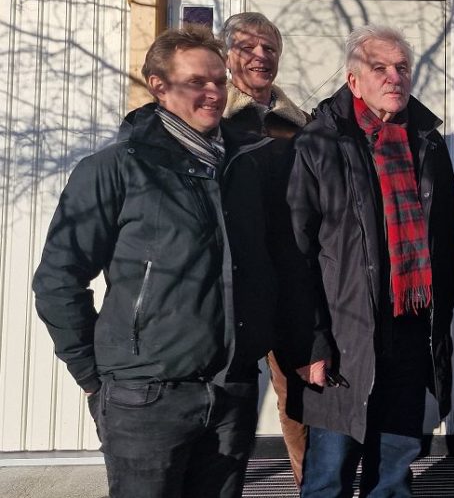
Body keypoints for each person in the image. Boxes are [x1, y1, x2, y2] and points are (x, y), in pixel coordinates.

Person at [32, 27, 287, 497]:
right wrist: (93, 377)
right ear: (159, 86)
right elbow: (57, 280)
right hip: (145, 397)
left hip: (231, 391)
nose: (213, 93)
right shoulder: (114, 169)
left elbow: (268, 265)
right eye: (196, 82)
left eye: (218, 80)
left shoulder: (245, 166)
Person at [286, 25, 454, 498]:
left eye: (402, 68)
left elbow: (444, 245)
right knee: (328, 478)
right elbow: (298, 253)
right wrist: (313, 342)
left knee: (393, 478)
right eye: (379, 68)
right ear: (353, 80)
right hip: (346, 338)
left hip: (410, 331)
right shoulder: (320, 143)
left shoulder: (426, 142)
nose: (394, 77)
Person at [220, 11, 312, 486]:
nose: (260, 56)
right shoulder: (212, 120)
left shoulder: (301, 126)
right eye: (247, 47)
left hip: (287, 281)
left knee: (296, 397)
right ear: (226, 54)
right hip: (228, 284)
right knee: (227, 402)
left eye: (269, 48)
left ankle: (306, 486)